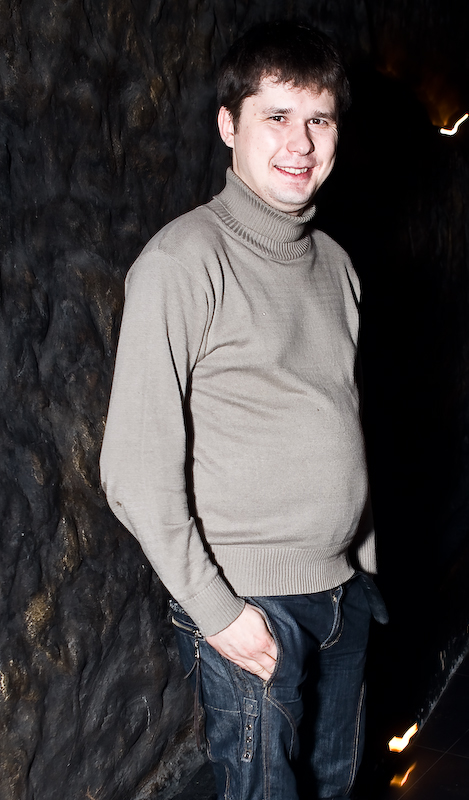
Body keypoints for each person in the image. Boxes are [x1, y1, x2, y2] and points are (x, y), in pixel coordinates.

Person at [100, 20, 387, 800]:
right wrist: (219, 612)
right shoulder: (180, 261)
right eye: (276, 116)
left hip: (340, 595)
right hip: (250, 602)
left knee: (334, 786)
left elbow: (340, 413)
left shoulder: (335, 264)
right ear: (228, 125)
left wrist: (361, 567)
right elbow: (132, 472)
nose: (300, 142)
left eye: (319, 119)